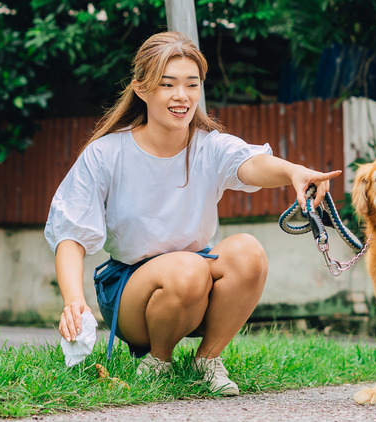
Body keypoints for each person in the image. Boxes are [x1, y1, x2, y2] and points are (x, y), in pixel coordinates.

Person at [44, 31, 340, 396]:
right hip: (132, 292)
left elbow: (251, 163)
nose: (181, 96)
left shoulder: (209, 145)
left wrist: (294, 172)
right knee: (188, 268)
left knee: (248, 251)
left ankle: (207, 359)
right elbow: (70, 234)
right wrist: (74, 301)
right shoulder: (106, 153)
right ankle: (158, 361)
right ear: (141, 89)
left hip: (196, 281)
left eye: (191, 84)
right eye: (167, 85)